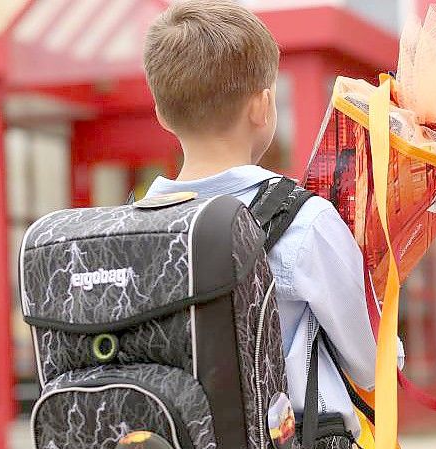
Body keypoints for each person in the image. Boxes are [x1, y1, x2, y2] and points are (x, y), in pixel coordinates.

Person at [141, 0, 398, 442]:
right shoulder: (304, 219)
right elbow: (370, 362)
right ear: (263, 106)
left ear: (162, 113)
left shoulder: (136, 225)